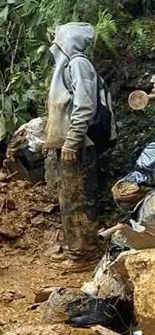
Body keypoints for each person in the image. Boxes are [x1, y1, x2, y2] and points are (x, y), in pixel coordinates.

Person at [43, 22, 104, 262]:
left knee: (79, 199)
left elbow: (84, 106)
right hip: (70, 145)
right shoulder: (67, 65)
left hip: (78, 146)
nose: (54, 43)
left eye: (58, 38)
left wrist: (71, 141)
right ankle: (76, 249)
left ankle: (83, 254)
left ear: (68, 41)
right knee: (69, 199)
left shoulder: (78, 64)